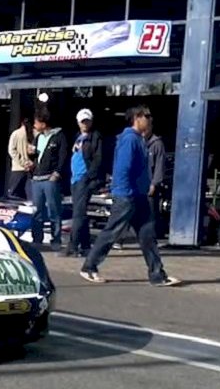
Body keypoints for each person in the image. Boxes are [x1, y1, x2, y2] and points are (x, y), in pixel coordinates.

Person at [80, 106, 179, 287]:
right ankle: (89, 266)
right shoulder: (129, 139)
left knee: (147, 235)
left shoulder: (138, 139)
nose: (150, 119)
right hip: (127, 195)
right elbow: (123, 168)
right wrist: (124, 191)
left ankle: (157, 274)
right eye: (147, 116)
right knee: (112, 231)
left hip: (138, 196)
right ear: (137, 118)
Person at [63, 109, 103, 257]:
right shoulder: (77, 137)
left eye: (87, 121)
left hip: (84, 179)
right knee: (81, 212)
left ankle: (73, 246)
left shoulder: (95, 137)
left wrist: (89, 176)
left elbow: (98, 158)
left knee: (78, 214)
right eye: (82, 121)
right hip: (75, 179)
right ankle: (86, 245)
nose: (85, 124)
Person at [28, 108, 66, 249]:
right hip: (37, 178)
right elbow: (37, 156)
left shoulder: (59, 137)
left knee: (53, 210)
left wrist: (57, 173)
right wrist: (31, 161)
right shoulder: (38, 137)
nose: (34, 125)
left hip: (50, 179)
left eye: (36, 122)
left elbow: (63, 156)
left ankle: (56, 239)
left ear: (43, 124)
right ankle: (37, 239)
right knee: (37, 210)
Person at [145, 118, 168, 238]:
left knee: (151, 212)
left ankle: (152, 236)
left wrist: (154, 183)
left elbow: (160, 166)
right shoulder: (137, 142)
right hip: (137, 184)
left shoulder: (157, 144)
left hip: (150, 184)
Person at [6, 117, 33, 199]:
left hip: (19, 168)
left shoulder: (15, 134)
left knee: (14, 194)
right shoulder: (29, 134)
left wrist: (22, 162)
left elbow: (11, 150)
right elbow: (12, 150)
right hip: (26, 168)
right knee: (26, 195)